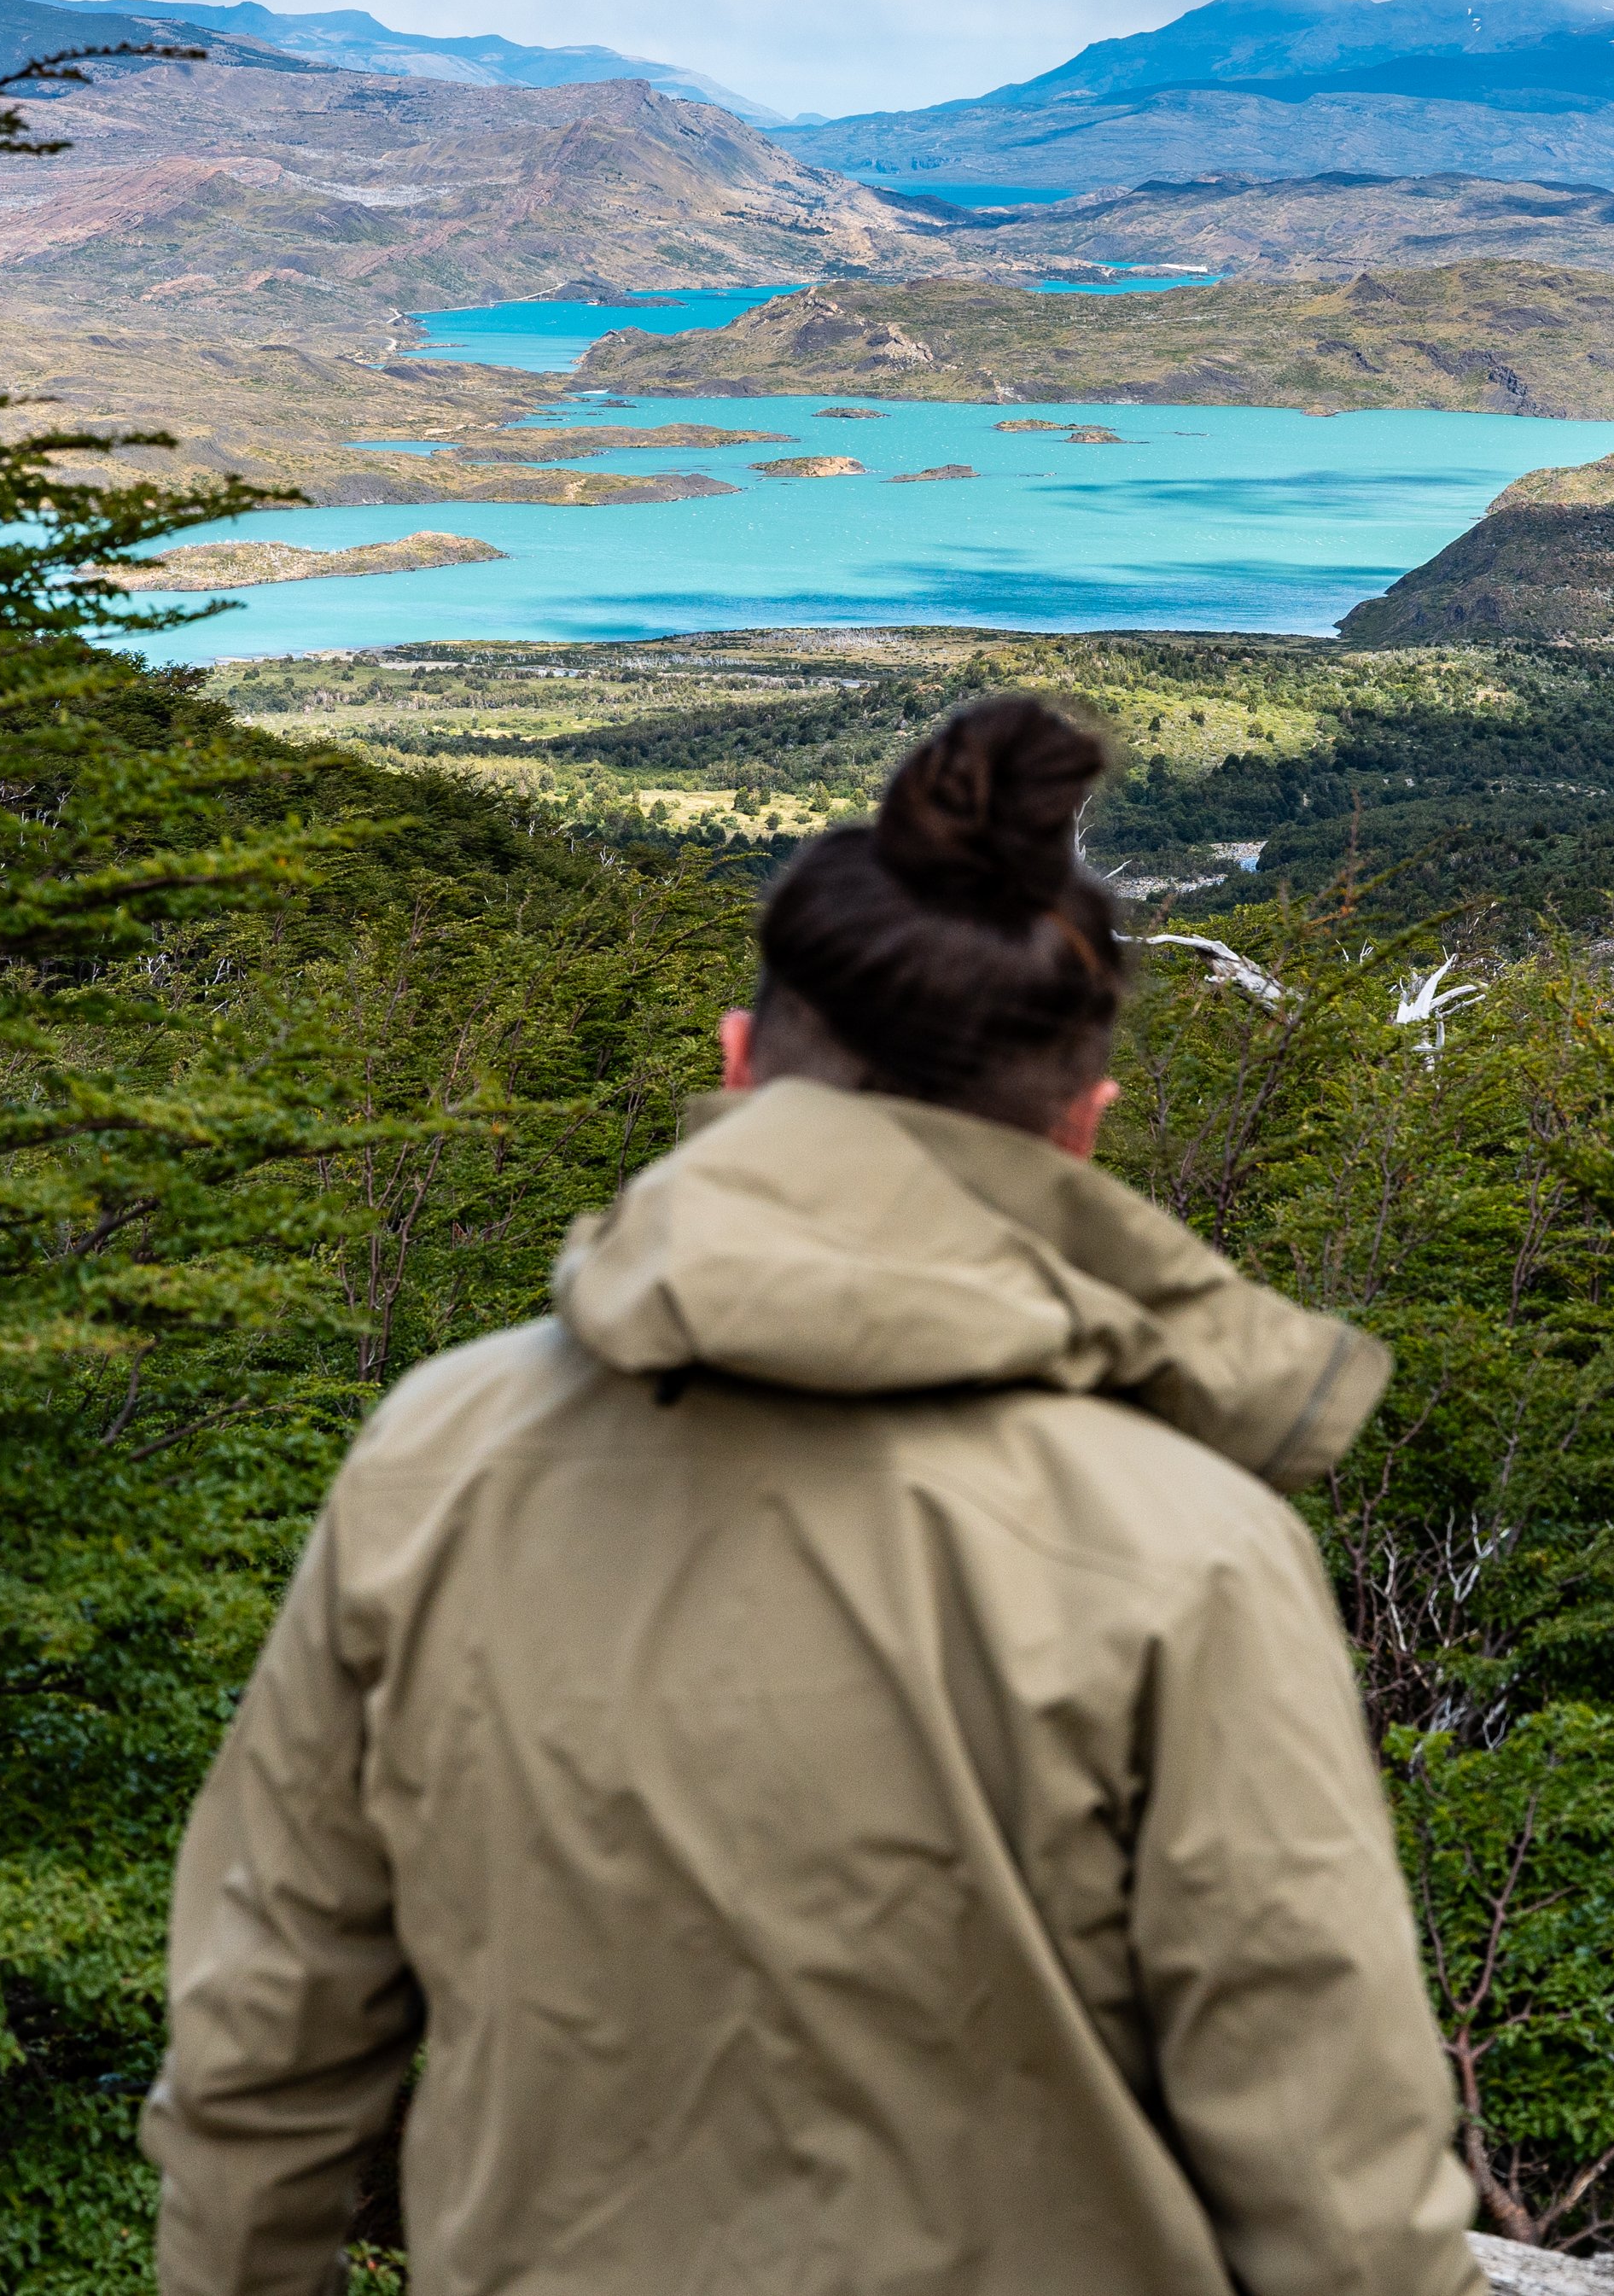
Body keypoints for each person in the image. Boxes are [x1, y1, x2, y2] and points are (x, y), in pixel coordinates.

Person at [143, 696, 1485, 2296]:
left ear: (737, 1064)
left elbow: (267, 2043)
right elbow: (1338, 2194)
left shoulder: (437, 1453)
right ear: (1081, 1129)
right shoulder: (1190, 1548)